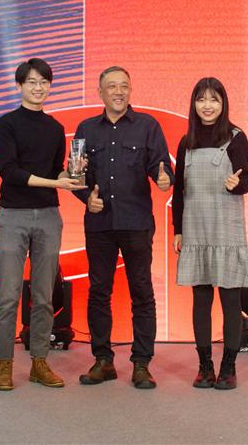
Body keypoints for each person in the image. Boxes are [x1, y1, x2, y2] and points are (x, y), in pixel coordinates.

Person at [0, 58, 86, 391]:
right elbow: (10, 172)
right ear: (19, 86)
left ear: (50, 86)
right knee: (9, 295)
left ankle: (39, 362)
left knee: (45, 296)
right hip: (13, 216)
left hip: (48, 216)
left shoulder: (55, 128)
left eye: (44, 82)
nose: (38, 87)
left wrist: (72, 173)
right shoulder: (6, 124)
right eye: (31, 82)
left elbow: (56, 170)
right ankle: (4, 364)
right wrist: (55, 183)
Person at [74, 66, 172, 388]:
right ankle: (103, 361)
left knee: (141, 292)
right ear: (100, 93)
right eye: (112, 86)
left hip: (136, 222)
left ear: (130, 90)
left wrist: (164, 179)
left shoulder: (147, 126)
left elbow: (162, 168)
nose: (118, 92)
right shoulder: (85, 129)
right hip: (99, 224)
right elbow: (75, 175)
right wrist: (87, 198)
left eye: (124, 86)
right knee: (99, 292)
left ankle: (141, 364)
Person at [171, 77, 248, 390]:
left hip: (225, 229)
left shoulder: (236, 138)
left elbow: (247, 180)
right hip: (195, 228)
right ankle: (205, 366)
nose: (207, 106)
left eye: (213, 99)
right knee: (201, 299)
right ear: (194, 104)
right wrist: (178, 230)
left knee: (231, 299)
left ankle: (229, 367)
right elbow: (179, 191)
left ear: (223, 104)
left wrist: (238, 184)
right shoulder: (186, 142)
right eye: (201, 99)